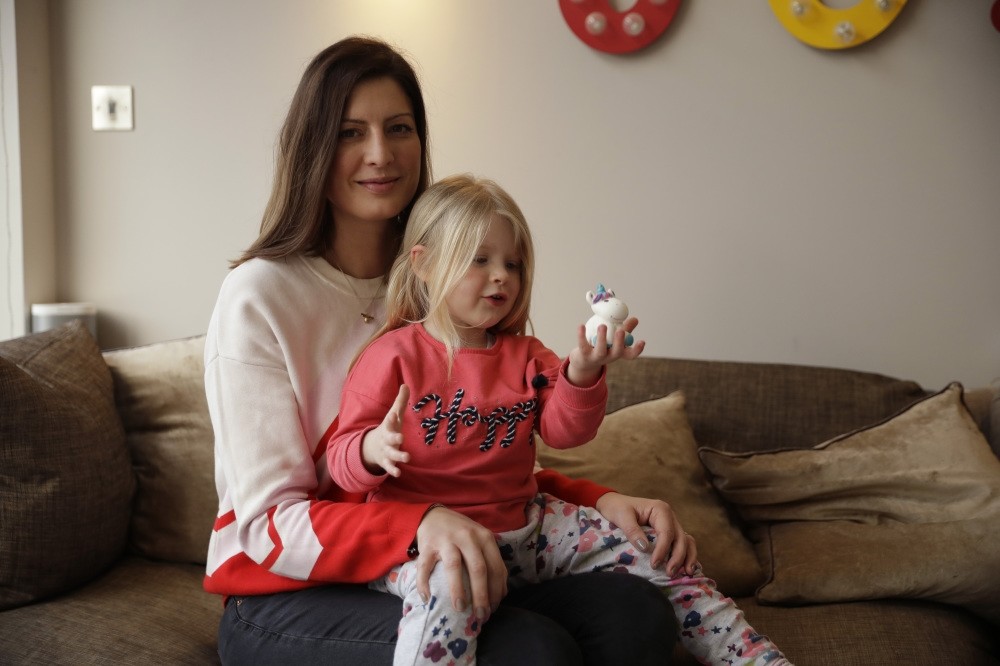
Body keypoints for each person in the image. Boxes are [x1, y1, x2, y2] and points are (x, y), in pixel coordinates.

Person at [204, 36, 696, 665]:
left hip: (433, 558)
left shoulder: (450, 277)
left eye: (399, 128)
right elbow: (268, 525)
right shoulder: (259, 295)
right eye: (351, 133)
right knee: (531, 653)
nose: (380, 154)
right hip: (290, 591)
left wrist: (598, 501)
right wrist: (416, 523)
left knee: (638, 617)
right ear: (313, 150)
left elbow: (470, 455)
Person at [326, 174, 792, 666]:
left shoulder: (527, 354)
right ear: (423, 264)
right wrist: (370, 449)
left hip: (530, 529)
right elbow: (340, 460)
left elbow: (567, 432)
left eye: (513, 263)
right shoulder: (393, 356)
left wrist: (584, 372)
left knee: (656, 551)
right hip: (431, 549)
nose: (501, 275)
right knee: (447, 589)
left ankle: (756, 659)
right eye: (479, 259)